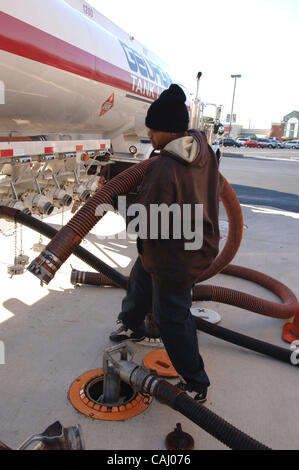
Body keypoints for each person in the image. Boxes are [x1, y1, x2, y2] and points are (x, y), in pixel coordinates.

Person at [110, 84, 221, 402]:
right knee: (140, 276)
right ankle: (132, 323)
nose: (148, 133)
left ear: (166, 130)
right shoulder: (202, 147)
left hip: (175, 256)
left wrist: (117, 198)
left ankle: (196, 382)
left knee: (172, 316)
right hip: (193, 239)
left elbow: (142, 223)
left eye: (152, 128)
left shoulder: (163, 168)